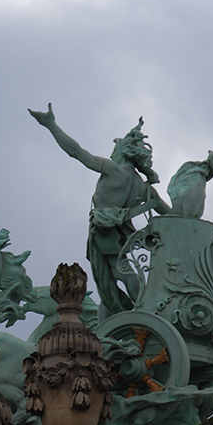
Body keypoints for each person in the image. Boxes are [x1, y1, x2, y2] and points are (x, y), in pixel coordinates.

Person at [28, 104, 171, 319]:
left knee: (118, 270)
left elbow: (76, 152)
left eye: (116, 147)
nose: (112, 151)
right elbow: (169, 212)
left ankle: (145, 307)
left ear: (124, 151)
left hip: (105, 230)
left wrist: (51, 125)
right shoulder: (144, 188)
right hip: (122, 233)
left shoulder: (113, 170)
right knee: (111, 280)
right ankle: (120, 316)